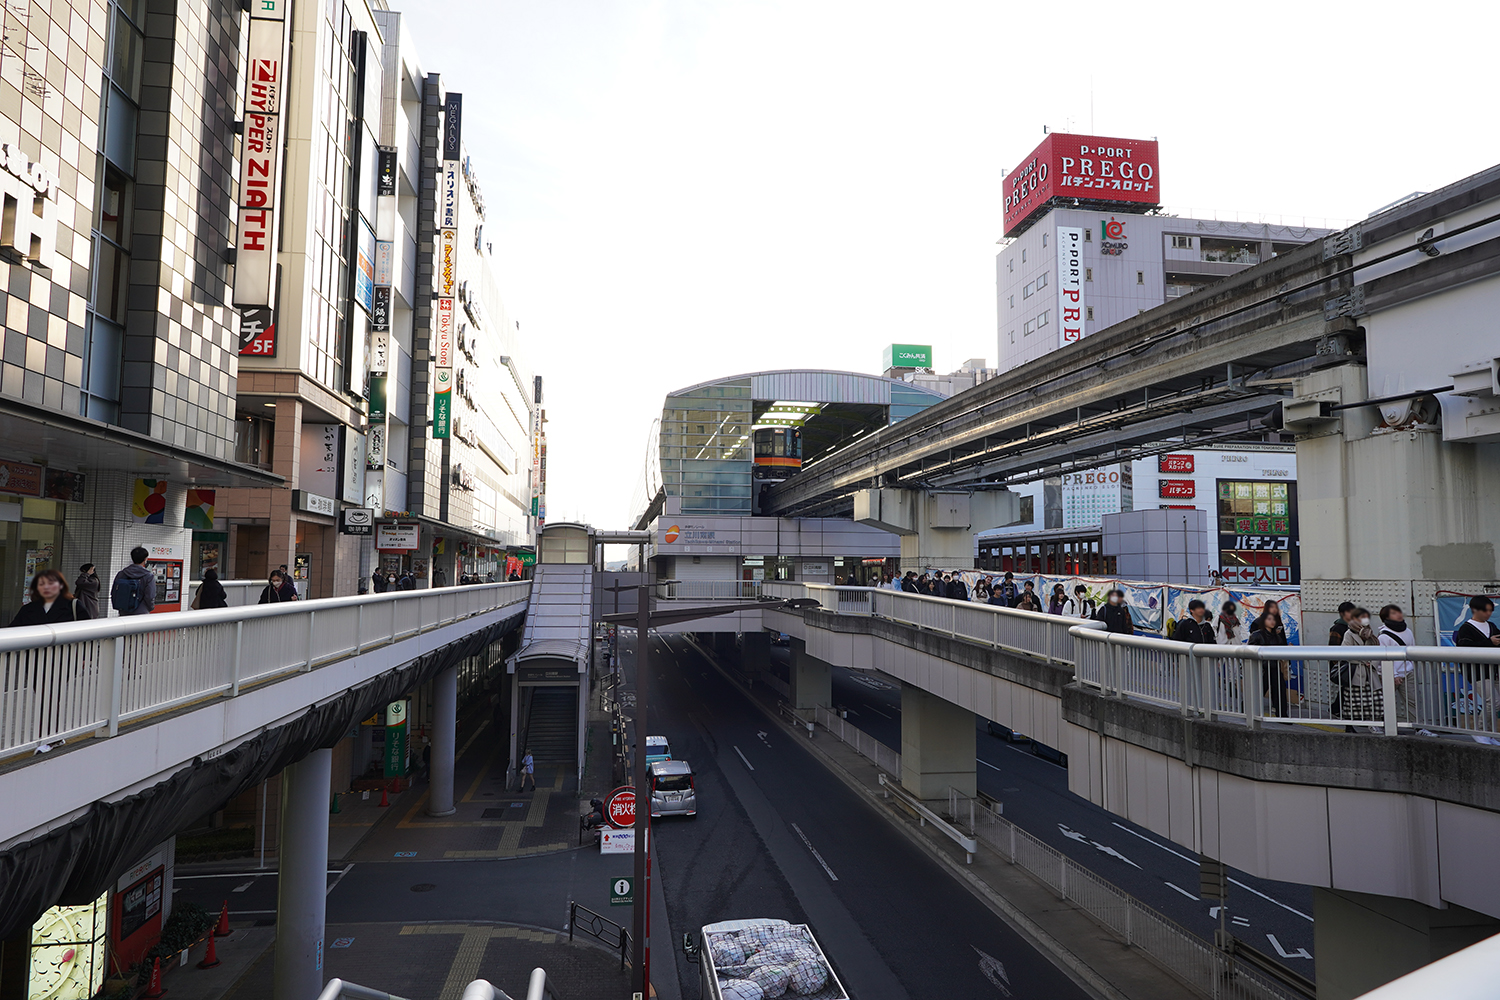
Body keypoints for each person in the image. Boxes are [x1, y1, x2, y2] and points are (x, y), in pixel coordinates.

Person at [1340, 608, 1383, 728]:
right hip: (1356, 673)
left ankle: (1374, 724)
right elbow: (1345, 653)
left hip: (1369, 673)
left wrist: (1373, 663)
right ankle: (1350, 726)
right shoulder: (1349, 634)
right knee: (1353, 702)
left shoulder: (1369, 633)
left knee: (1376, 700)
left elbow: (1377, 651)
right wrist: (1365, 661)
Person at [9, 569, 90, 627]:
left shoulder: (73, 606)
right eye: (41, 584)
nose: (46, 587)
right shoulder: (28, 609)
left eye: (51, 583)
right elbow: (12, 632)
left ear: (61, 586)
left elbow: (88, 631)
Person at [1378, 605, 1416, 724]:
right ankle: (1384, 725)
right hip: (1390, 673)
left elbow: (1413, 650)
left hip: (1408, 672)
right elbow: (1383, 656)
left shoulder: (1408, 631)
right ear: (1386, 617)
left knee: (1413, 701)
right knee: (1386, 701)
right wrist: (1394, 675)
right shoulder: (1383, 636)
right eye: (1394, 613)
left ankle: (1418, 726)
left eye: (1398, 611)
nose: (1399, 614)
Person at [1250, 602, 1290, 716]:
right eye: (1269, 619)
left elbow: (1282, 647)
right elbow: (1251, 649)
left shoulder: (1277, 636)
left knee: (1280, 690)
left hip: (1275, 666)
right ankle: (1248, 709)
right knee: (1259, 690)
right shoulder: (1257, 634)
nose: (1272, 622)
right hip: (1262, 667)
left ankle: (1282, 715)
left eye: (1273, 620)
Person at [1328, 601, 1357, 720]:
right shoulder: (1338, 628)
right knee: (1347, 687)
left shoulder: (1355, 626)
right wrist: (1338, 664)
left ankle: (1336, 708)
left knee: (1347, 688)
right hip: (1344, 664)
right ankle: (1337, 709)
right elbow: (1334, 648)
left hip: (1352, 662)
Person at [111, 545, 157, 616]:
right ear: (145, 560)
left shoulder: (122, 573)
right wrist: (149, 608)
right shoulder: (148, 576)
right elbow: (150, 596)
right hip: (141, 612)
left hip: (124, 611)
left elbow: (114, 592)